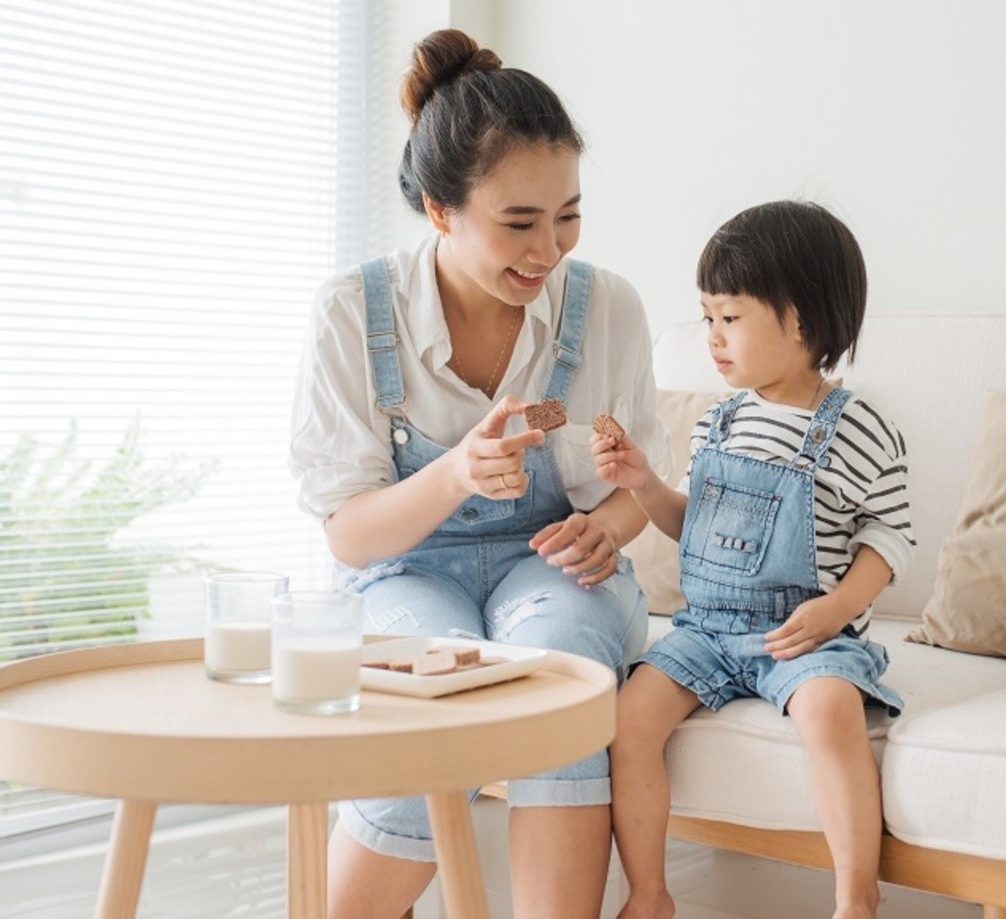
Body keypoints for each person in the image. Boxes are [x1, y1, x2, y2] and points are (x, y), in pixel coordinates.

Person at [288, 28, 666, 919]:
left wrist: (605, 527)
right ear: (439, 209)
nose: (549, 250)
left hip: (551, 567)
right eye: (520, 223)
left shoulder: (606, 305)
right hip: (403, 566)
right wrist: (457, 471)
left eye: (567, 214)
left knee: (561, 667)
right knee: (427, 688)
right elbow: (349, 531)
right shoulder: (352, 313)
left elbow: (632, 491)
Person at [593, 201, 914, 919]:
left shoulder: (858, 425)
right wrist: (643, 484)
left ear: (799, 319)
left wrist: (835, 609)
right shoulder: (719, 420)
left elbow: (887, 539)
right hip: (707, 628)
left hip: (802, 633)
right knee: (631, 717)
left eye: (729, 318)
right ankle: (649, 892)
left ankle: (855, 897)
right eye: (705, 317)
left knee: (831, 712)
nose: (712, 337)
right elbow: (691, 524)